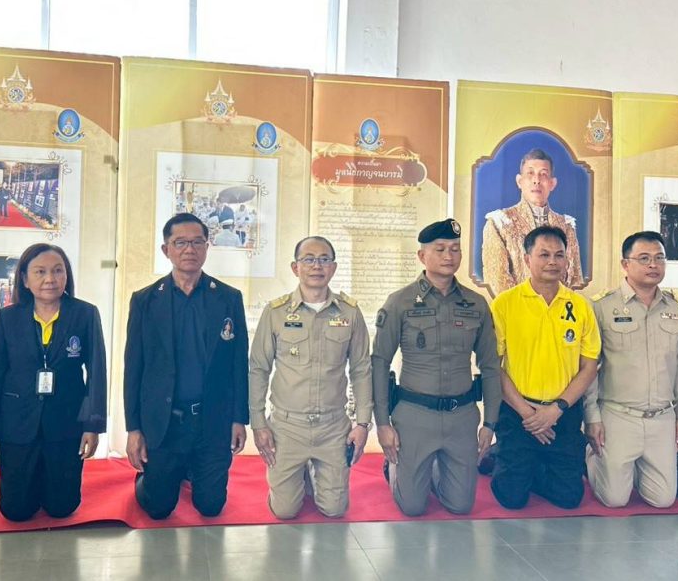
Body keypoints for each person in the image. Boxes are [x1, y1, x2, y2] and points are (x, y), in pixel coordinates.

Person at [372, 219, 502, 516]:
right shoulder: (400, 302)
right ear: (422, 256)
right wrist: (383, 424)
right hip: (414, 416)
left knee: (461, 505)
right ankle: (398, 469)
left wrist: (490, 423)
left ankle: (431, 471)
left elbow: (491, 366)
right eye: (440, 249)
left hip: (461, 418)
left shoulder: (476, 304)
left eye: (455, 249)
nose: (448, 256)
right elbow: (379, 362)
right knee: (412, 507)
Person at [124, 212, 249, 519]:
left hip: (212, 420)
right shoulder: (145, 300)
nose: (189, 249)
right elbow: (133, 368)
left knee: (210, 507)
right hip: (165, 422)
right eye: (180, 243)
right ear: (166, 249)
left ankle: (191, 470)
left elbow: (238, 364)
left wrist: (239, 419)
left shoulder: (229, 298)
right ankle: (155, 476)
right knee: (158, 508)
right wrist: (134, 428)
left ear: (207, 247)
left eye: (197, 242)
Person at [0, 243, 107, 521]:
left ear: (67, 275)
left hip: (66, 422)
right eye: (40, 272)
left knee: (62, 508)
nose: (50, 279)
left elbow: (96, 372)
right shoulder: (8, 317)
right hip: (17, 424)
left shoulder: (84, 314)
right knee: (15, 511)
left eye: (58, 271)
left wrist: (92, 426)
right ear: (25, 279)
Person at [250, 236, 372, 519]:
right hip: (287, 427)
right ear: (295, 267)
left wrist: (363, 423)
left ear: (333, 267)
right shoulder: (276, 312)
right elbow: (258, 369)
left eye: (324, 259)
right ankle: (299, 476)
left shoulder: (350, 313)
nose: (317, 266)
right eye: (309, 259)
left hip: (332, 427)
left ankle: (315, 474)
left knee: (334, 509)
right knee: (285, 511)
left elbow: (361, 369)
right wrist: (258, 423)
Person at [489, 225, 600, 509]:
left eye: (559, 255)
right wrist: (529, 415)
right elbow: (493, 367)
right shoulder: (505, 304)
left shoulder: (580, 306)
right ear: (527, 259)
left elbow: (589, 366)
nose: (552, 261)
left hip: (563, 411)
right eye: (544, 254)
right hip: (518, 411)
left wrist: (555, 410)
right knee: (511, 498)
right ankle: (501, 457)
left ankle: (532, 467)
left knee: (569, 498)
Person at [584, 231, 678, 508]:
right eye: (644, 258)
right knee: (614, 499)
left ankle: (634, 468)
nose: (653, 265)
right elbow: (590, 368)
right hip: (618, 416)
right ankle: (595, 459)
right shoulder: (602, 307)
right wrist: (591, 417)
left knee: (663, 500)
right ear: (625, 264)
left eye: (659, 258)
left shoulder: (675, 309)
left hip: (662, 418)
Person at [481, 148, 585, 293]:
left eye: (543, 174)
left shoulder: (566, 225)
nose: (536, 180)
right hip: (516, 306)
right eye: (530, 173)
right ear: (519, 181)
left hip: (559, 306)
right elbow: (498, 282)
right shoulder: (499, 223)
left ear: (552, 183)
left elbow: (574, 279)